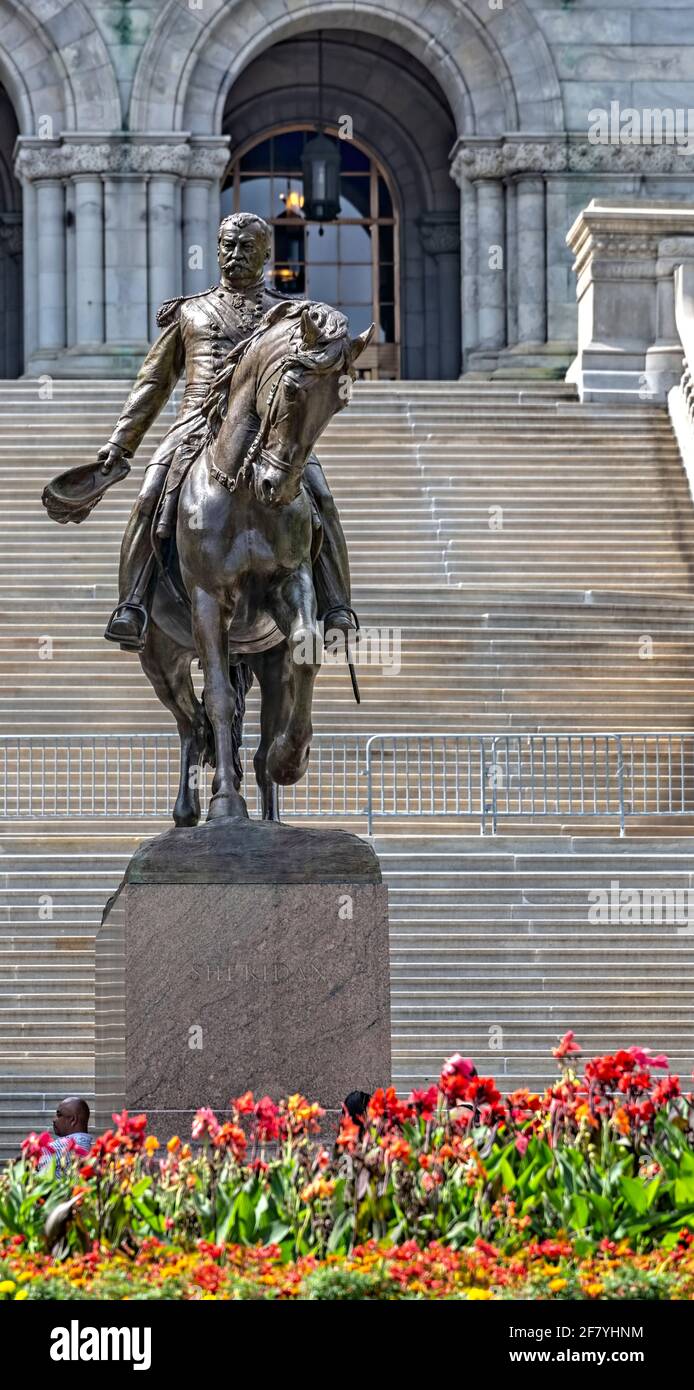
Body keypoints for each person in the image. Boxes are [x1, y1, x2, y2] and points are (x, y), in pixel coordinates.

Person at [101, 211, 356, 652]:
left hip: (272, 431)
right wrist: (120, 442)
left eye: (246, 248)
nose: (234, 255)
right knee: (149, 495)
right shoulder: (190, 311)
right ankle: (133, 604)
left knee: (322, 497)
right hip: (196, 426)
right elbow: (154, 383)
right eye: (227, 246)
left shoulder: (287, 315)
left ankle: (336, 604)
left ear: (266, 253)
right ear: (217, 249)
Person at [37, 1096, 92, 1171]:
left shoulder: (62, 1147)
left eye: (59, 1115)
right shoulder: (87, 1146)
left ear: (73, 1120)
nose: (54, 1120)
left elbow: (30, 1160)